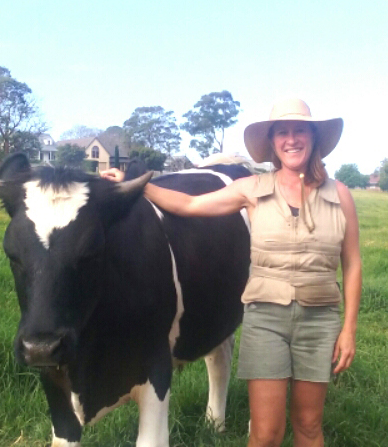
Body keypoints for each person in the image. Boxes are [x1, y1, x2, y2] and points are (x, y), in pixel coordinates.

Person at [101, 98, 361, 447]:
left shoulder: (340, 195)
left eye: (300, 130)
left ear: (313, 137)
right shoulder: (252, 189)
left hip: (319, 321)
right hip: (266, 320)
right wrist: (137, 184)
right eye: (282, 132)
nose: (291, 139)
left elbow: (352, 262)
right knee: (265, 433)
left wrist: (348, 329)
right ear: (272, 143)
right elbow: (190, 204)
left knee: (309, 426)